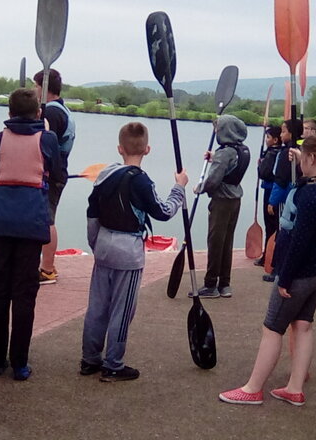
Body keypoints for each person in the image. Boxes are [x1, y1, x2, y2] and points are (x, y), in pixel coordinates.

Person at [218, 133, 316, 406]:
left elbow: (300, 240)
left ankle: (253, 388)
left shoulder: (311, 194)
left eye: (303, 157)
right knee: (302, 325)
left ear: (312, 158)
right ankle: (294, 387)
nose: (300, 161)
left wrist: (284, 278)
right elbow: (304, 197)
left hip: (301, 272)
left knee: (272, 327)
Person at [80, 122, 187, 381]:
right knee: (122, 309)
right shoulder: (141, 181)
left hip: (104, 246)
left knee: (97, 306)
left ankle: (89, 359)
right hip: (128, 252)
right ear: (147, 149)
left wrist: (96, 245)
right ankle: (113, 364)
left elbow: (92, 214)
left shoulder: (104, 177)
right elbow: (163, 211)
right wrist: (179, 188)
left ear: (119, 148)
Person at [0, 89, 64, 380]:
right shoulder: (48, 139)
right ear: (38, 114)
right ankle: (19, 363)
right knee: (24, 294)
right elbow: (59, 174)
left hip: (0, 223)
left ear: (9, 114)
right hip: (30, 224)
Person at [191, 115, 249, 298]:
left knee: (215, 242)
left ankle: (210, 285)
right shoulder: (243, 150)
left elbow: (214, 180)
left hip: (222, 202)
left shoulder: (224, 152)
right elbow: (231, 163)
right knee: (227, 241)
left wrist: (199, 188)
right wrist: (215, 158)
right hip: (235, 200)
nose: (215, 132)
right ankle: (225, 283)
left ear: (226, 130)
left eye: (217, 128)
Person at [33, 68, 74, 285]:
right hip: (58, 173)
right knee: (46, 218)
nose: (34, 90)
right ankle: (47, 266)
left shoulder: (52, 113)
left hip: (52, 175)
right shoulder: (61, 110)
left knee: (47, 220)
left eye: (36, 86)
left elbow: (45, 146)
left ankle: (47, 269)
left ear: (45, 87)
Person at [263, 119, 303, 282]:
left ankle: (278, 270)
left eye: (284, 131)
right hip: (298, 197)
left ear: (291, 133)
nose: (280, 135)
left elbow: (280, 179)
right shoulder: (302, 148)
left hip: (287, 199)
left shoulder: (289, 152)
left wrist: (272, 201)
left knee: (283, 233)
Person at [256, 127, 283, 267]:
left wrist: (260, 166)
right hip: (276, 192)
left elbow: (264, 173)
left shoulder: (272, 154)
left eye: (268, 137)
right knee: (274, 224)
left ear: (275, 140)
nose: (266, 140)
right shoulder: (280, 152)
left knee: (270, 225)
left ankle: (268, 255)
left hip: (271, 192)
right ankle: (269, 254)